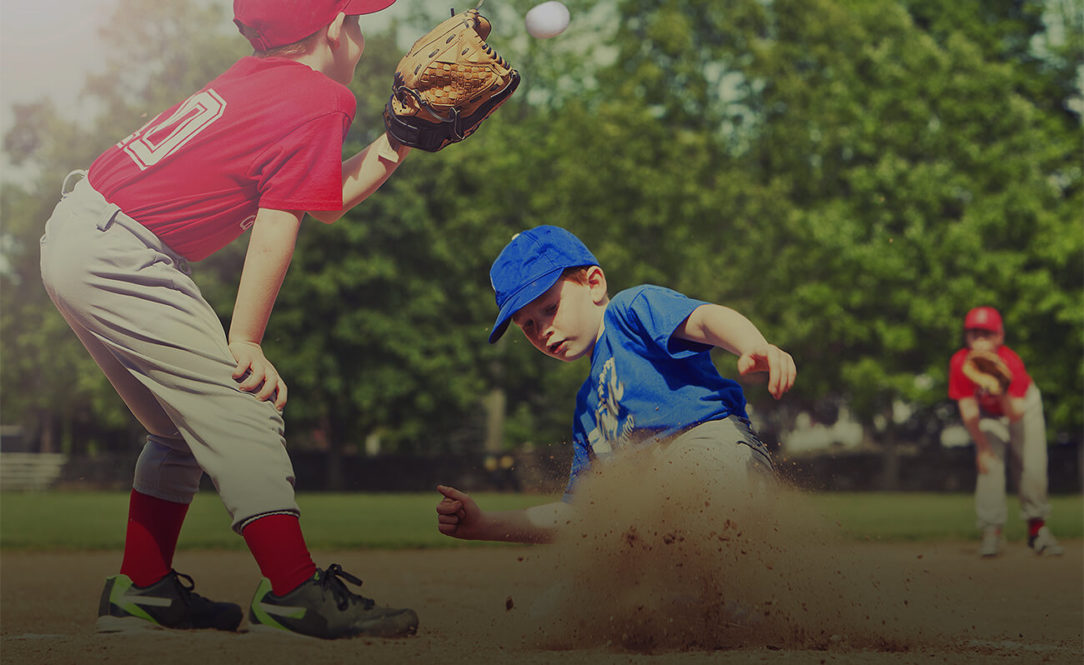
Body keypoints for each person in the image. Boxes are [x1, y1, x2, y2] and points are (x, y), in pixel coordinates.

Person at [40, 0, 423, 639]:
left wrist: (399, 142)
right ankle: (295, 590)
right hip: (123, 254)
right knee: (244, 404)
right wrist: (244, 339)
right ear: (334, 29)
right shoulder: (321, 96)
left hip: (82, 235)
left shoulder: (253, 79)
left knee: (175, 431)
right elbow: (281, 221)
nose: (359, 33)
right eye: (356, 20)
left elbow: (319, 200)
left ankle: (145, 589)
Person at [435, 225, 796, 543]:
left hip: (718, 455)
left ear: (594, 283)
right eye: (527, 325)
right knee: (589, 593)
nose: (542, 330)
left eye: (548, 308)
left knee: (652, 514)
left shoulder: (630, 311)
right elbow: (581, 516)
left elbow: (704, 320)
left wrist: (752, 345)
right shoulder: (587, 411)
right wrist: (485, 525)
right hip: (664, 507)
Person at [947, 306, 1063, 558]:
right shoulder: (960, 363)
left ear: (999, 336)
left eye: (986, 333)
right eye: (973, 333)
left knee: (1032, 466)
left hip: (1021, 407)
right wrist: (982, 448)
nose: (979, 339)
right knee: (989, 465)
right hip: (987, 415)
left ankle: (1037, 530)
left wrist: (1000, 388)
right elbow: (968, 409)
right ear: (966, 336)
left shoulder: (1011, 362)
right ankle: (991, 533)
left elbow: (1015, 414)